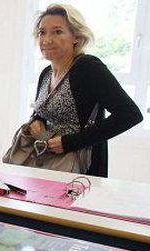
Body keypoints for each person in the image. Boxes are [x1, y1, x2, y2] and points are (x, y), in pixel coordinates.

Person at [27, 3, 142, 177]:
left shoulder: (87, 67)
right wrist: (36, 120)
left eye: (57, 32)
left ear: (76, 37)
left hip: (80, 171)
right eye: (42, 32)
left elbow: (130, 114)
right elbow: (44, 111)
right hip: (47, 164)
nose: (46, 40)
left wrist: (70, 142)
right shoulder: (46, 73)